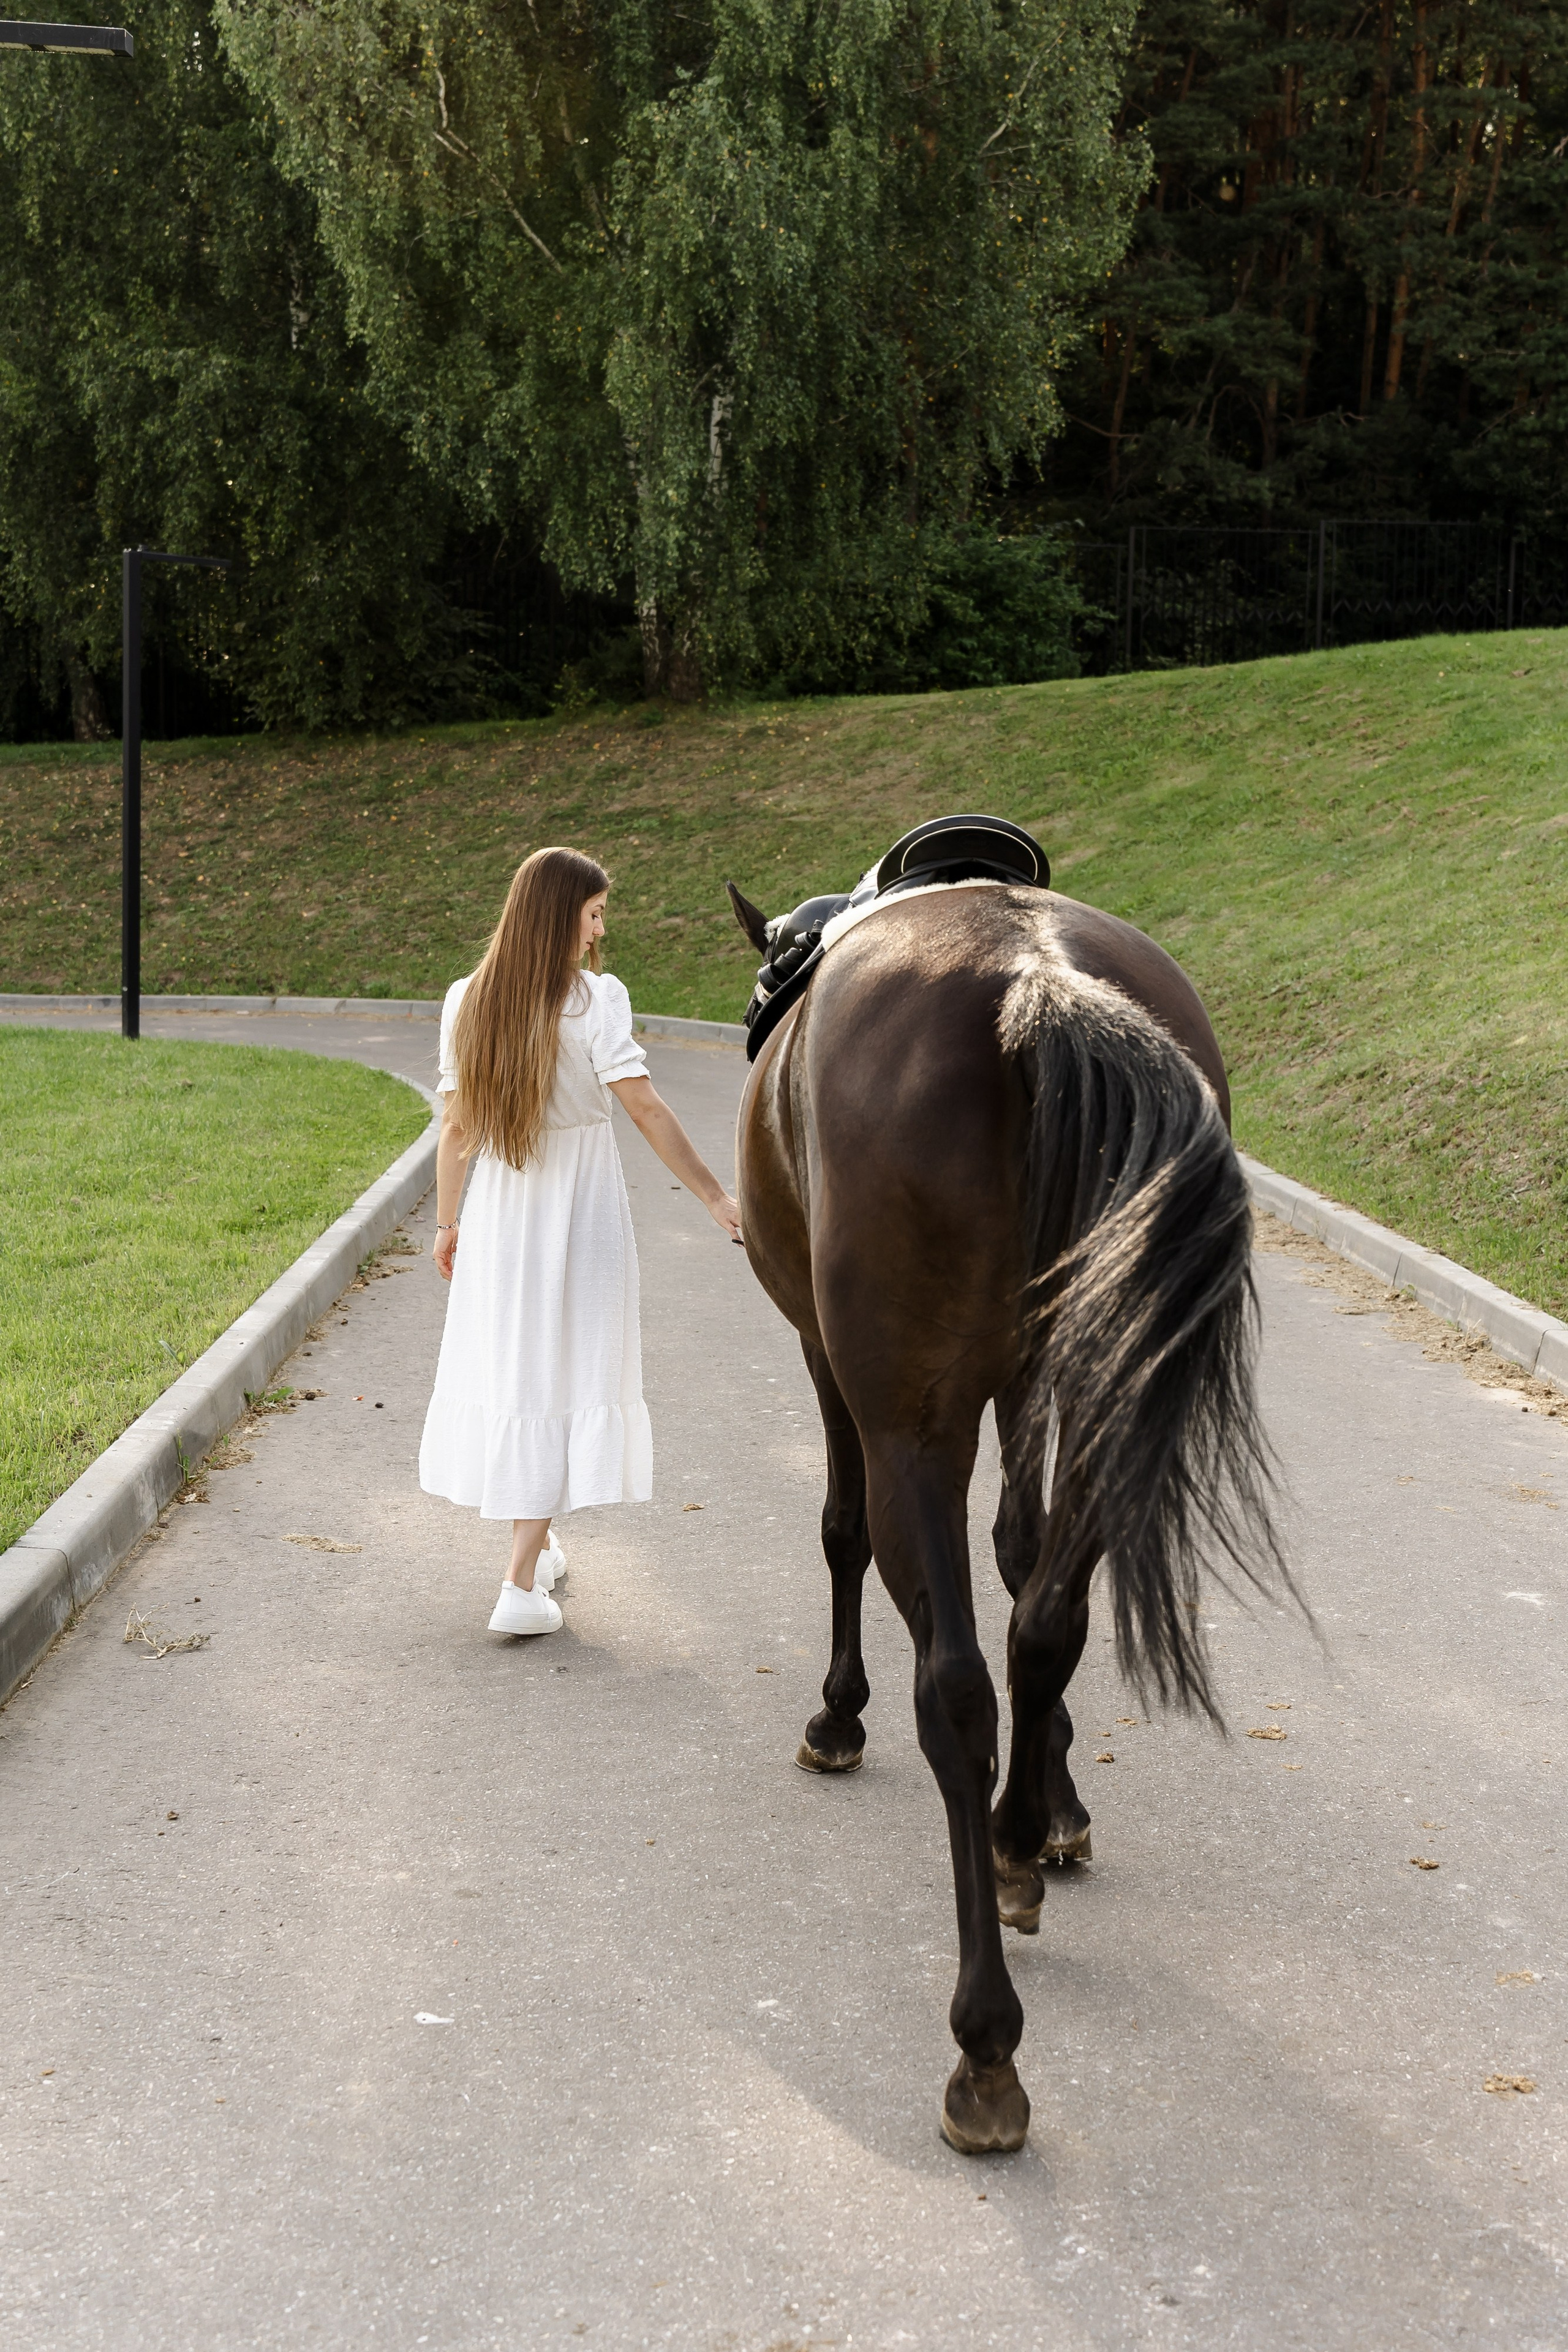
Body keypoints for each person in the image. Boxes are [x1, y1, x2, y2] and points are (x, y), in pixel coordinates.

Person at [418, 846, 741, 1637]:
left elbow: (456, 1127)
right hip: (579, 1212)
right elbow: (645, 1106)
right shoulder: (596, 1000)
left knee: (526, 1371)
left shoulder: (469, 998)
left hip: (501, 1211)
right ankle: (518, 1583)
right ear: (563, 916)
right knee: (566, 1374)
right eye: (595, 913)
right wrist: (714, 1195)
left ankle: (541, 1541)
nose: (602, 929)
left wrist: (449, 1222)